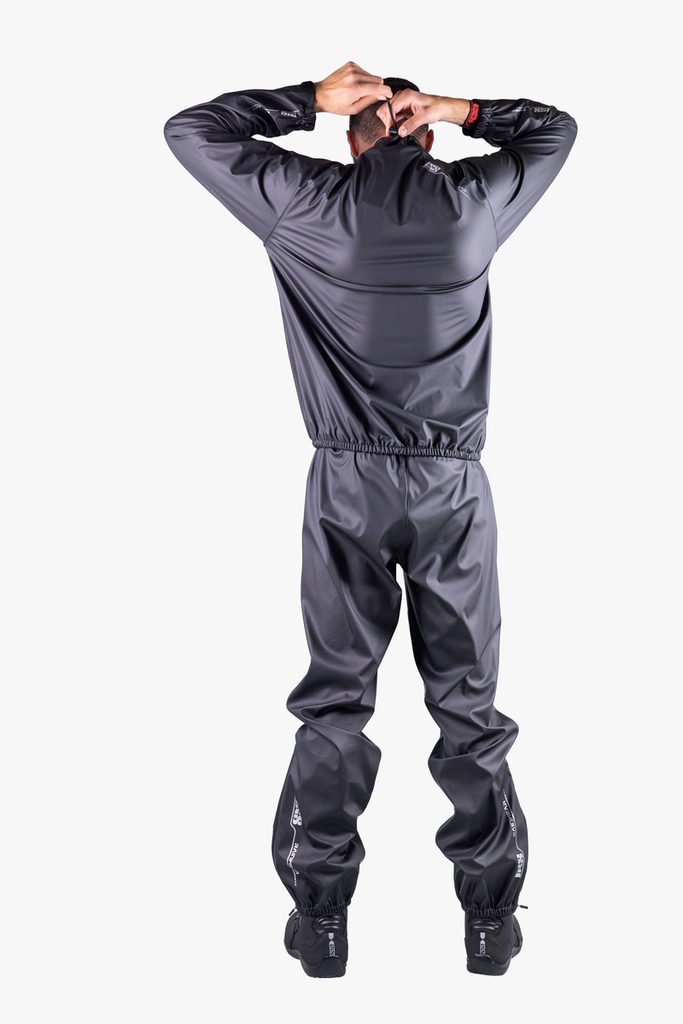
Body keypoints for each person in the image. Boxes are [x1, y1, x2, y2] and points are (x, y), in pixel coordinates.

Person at [163, 61, 578, 978]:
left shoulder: (304, 202)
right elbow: (553, 130)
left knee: (336, 703)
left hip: (346, 484)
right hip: (451, 487)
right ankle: (488, 925)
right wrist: (463, 109)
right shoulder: (471, 205)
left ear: (350, 138)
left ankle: (321, 923)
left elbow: (190, 131)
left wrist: (306, 99)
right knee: (467, 706)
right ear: (424, 134)